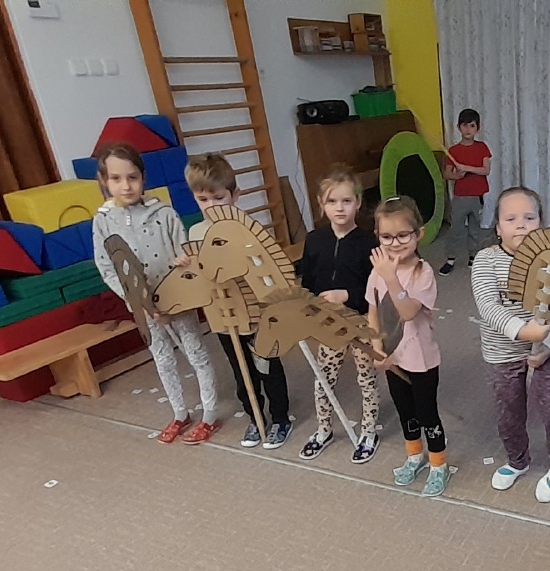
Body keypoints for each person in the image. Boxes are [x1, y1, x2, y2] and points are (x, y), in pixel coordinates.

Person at [91, 143, 219, 444]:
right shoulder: (103, 220)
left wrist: (183, 267)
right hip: (142, 307)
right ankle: (179, 413)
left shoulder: (164, 214)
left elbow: (185, 255)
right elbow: (107, 267)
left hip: (178, 300)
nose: (126, 186)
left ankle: (210, 415)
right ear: (104, 181)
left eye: (132, 177)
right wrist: (138, 301)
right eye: (116, 179)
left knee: (196, 353)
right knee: (162, 357)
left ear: (143, 177)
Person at [183, 153, 293, 450]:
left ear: (234, 195)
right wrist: (187, 265)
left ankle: (280, 417)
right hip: (222, 315)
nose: (212, 206)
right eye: (203, 200)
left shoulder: (248, 229)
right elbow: (199, 276)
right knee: (241, 369)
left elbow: (264, 269)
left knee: (267, 365)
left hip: (256, 314)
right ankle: (255, 417)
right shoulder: (196, 232)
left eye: (219, 198)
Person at [471, 187, 550, 503]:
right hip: (502, 354)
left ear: (541, 224)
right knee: (509, 414)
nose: (521, 225)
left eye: (530, 218)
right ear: (498, 227)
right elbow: (488, 306)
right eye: (511, 219)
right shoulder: (486, 261)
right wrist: (523, 331)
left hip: (546, 353)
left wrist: (548, 345)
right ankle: (518, 461)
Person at [365, 196, 449, 496]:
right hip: (392, 359)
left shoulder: (422, 273)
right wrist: (377, 348)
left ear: (418, 234)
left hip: (421, 359)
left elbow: (409, 312)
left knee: (427, 413)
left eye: (403, 235)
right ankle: (414, 456)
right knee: (405, 412)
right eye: (386, 237)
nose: (395, 243)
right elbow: (373, 311)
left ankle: (438, 464)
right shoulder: (376, 272)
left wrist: (390, 277)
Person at [297, 165, 382, 462]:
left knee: (366, 379)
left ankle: (369, 431)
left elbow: (377, 290)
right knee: (323, 378)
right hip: (329, 323)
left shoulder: (369, 243)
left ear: (358, 203)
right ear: (321, 204)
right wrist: (307, 309)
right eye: (332, 201)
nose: (340, 208)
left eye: (346, 201)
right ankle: (324, 429)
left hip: (361, 321)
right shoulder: (314, 239)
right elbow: (308, 282)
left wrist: (347, 295)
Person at [439, 108, 492, 276]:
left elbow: (486, 170)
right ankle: (450, 259)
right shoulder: (453, 151)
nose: (468, 129)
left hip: (477, 197)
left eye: (472, 125)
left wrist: (467, 168)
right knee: (456, 229)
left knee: (475, 229)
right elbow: (446, 174)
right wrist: (457, 175)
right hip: (460, 197)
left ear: (478, 128)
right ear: (458, 127)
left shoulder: (482, 148)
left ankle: (473, 256)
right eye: (464, 125)